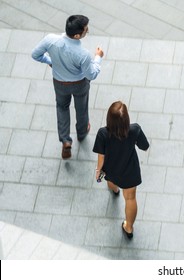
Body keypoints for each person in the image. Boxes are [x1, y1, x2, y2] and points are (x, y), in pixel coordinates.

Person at [32, 15, 104, 159]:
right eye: (86, 30)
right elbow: (91, 75)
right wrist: (98, 57)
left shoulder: (50, 40)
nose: (87, 31)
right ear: (77, 35)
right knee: (81, 108)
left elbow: (35, 55)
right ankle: (82, 133)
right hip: (79, 85)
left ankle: (65, 140)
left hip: (59, 83)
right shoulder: (83, 54)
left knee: (62, 107)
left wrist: (50, 61)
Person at [93, 101, 149, 240]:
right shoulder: (134, 130)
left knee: (111, 183)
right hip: (130, 171)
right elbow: (145, 146)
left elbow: (101, 157)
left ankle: (115, 190)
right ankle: (128, 227)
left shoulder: (103, 134)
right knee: (130, 198)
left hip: (111, 170)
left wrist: (98, 172)